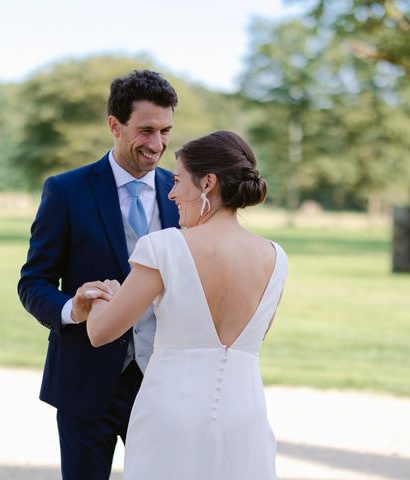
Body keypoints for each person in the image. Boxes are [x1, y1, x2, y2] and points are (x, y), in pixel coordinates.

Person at [85, 131, 288, 479]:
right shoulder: (275, 257)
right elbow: (255, 336)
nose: (172, 193)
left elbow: (101, 333)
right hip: (245, 416)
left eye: (178, 181)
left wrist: (102, 296)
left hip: (172, 413)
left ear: (208, 183)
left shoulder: (164, 247)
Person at [17, 70, 179, 480]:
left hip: (163, 380)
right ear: (114, 125)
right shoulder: (66, 190)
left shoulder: (184, 194)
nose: (157, 144)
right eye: (145, 130)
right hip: (85, 381)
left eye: (165, 131)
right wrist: (74, 307)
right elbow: (33, 282)